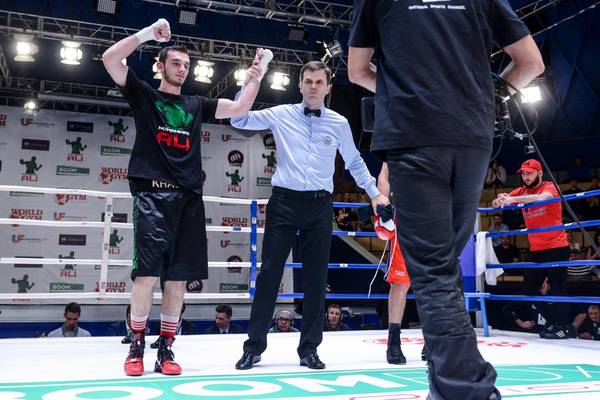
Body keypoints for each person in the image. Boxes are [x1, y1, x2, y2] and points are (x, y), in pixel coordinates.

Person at [348, 1, 544, 398]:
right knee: (444, 265)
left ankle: (468, 390)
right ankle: (444, 385)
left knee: (433, 270)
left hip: (414, 134)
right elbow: (531, 63)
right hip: (471, 136)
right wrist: (489, 96)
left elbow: (357, 70)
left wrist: (402, 91)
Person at [102, 17, 265, 376]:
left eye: (187, 65)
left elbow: (240, 109)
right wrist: (147, 34)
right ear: (160, 66)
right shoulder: (145, 95)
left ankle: (166, 349)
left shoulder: (195, 104)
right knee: (146, 277)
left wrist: (257, 74)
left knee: (176, 282)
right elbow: (110, 59)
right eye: (175, 63)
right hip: (151, 197)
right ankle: (136, 346)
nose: (182, 69)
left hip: (188, 200)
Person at [231, 60, 390, 370]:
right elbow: (239, 119)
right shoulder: (281, 113)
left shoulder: (339, 123)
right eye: (309, 81)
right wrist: (250, 82)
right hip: (283, 202)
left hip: (319, 205)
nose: (314, 87)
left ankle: (309, 350)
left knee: (317, 279)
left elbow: (354, 162)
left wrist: (375, 194)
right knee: (269, 275)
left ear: (328, 87)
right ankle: (254, 347)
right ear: (300, 85)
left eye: (319, 82)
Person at [493, 159, 572, 339]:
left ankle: (562, 328)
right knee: (529, 290)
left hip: (557, 247)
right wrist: (500, 199)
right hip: (536, 249)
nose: (526, 177)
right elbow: (496, 204)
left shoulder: (549, 186)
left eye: (529, 173)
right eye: (523, 173)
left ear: (540, 173)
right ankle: (552, 322)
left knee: (558, 289)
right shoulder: (521, 191)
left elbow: (543, 198)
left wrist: (512, 199)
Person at [377, 162, 411, 364]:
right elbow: (385, 172)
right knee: (400, 283)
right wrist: (383, 204)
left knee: (431, 282)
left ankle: (432, 340)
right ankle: (394, 342)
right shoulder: (395, 147)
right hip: (403, 216)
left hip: (433, 213)